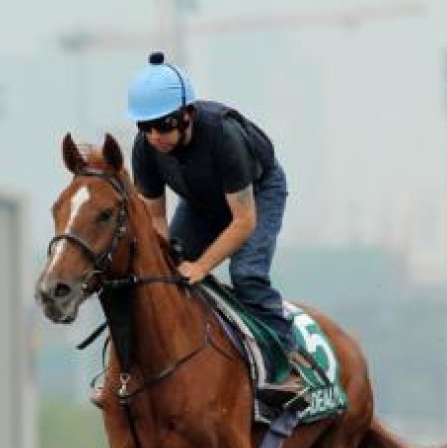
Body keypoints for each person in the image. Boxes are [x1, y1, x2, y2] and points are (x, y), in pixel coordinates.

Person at [124, 51, 309, 410]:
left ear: (187, 114)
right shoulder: (144, 150)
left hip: (257, 194)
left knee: (246, 274)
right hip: (201, 202)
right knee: (165, 276)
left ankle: (288, 367)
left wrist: (201, 265)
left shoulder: (223, 137)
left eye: (163, 125)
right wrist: (168, 262)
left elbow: (243, 222)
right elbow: (156, 222)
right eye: (144, 128)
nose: (154, 136)